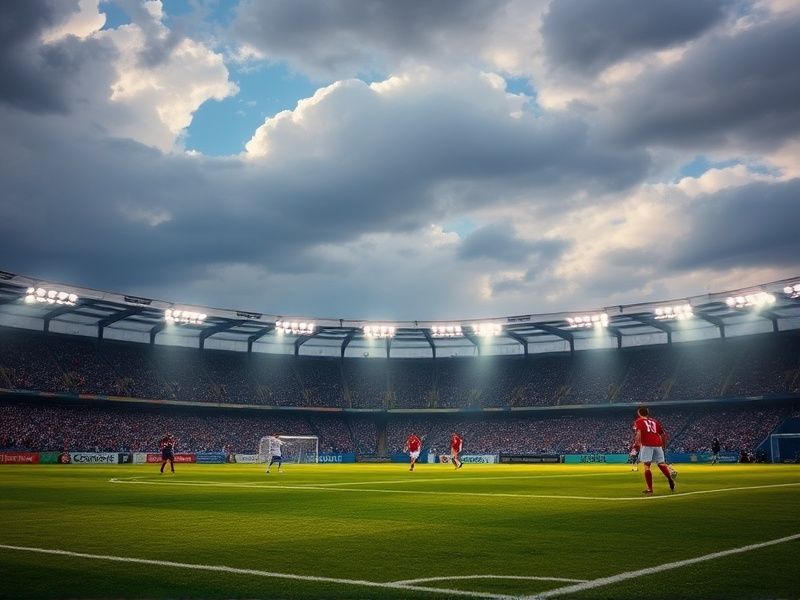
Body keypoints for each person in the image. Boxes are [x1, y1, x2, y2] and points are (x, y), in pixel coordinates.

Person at [632, 407, 675, 495]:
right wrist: (663, 445)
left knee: (647, 466)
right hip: (658, 444)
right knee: (661, 464)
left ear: (639, 413)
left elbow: (639, 433)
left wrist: (636, 445)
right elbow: (662, 434)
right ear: (647, 413)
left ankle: (649, 489)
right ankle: (670, 478)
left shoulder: (638, 421)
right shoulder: (654, 421)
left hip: (647, 444)